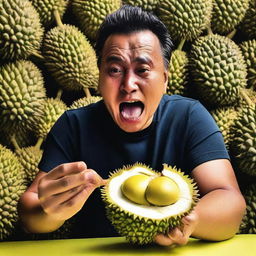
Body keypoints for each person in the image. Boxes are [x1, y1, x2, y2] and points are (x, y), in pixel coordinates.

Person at [18, 5, 246, 246]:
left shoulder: (189, 116)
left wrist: (191, 220)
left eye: (143, 69)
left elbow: (230, 201)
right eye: (115, 70)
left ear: (166, 79)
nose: (128, 84)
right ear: (99, 77)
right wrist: (49, 212)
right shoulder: (74, 124)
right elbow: (29, 211)